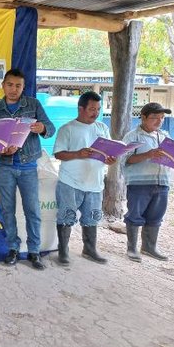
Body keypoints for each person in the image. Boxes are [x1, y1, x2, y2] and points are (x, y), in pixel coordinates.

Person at [0, 69, 55, 269]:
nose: (13, 89)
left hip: (28, 165)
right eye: (10, 85)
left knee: (32, 209)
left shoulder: (33, 105)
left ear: (23, 87)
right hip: (4, 165)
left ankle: (34, 251)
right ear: (3, 86)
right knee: (7, 210)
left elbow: (50, 129)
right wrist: (1, 149)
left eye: (18, 85)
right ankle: (13, 248)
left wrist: (41, 127)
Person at [52, 91, 115, 265]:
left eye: (98, 109)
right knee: (66, 216)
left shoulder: (102, 128)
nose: (95, 113)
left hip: (95, 182)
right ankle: (63, 251)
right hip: (70, 181)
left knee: (92, 216)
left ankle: (89, 249)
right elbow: (58, 154)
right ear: (81, 108)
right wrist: (78, 153)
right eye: (92, 109)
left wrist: (111, 158)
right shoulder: (67, 128)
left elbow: (108, 151)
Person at [122, 102, 174, 262]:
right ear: (143, 117)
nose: (159, 121)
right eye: (154, 118)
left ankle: (149, 247)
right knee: (135, 215)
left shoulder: (165, 136)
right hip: (139, 183)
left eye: (162, 118)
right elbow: (125, 160)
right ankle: (132, 249)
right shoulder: (133, 136)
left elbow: (173, 157)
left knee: (156, 216)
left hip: (162, 182)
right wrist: (148, 154)